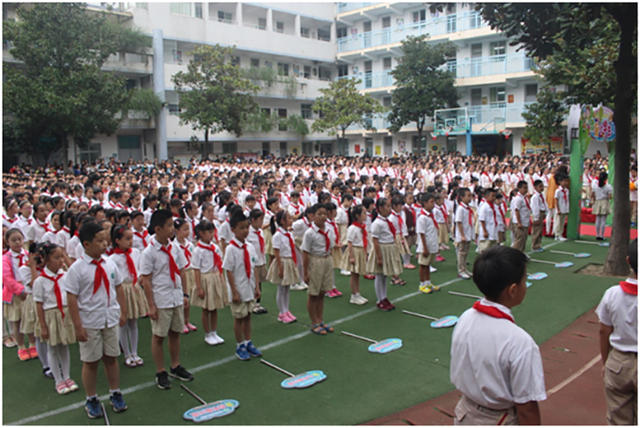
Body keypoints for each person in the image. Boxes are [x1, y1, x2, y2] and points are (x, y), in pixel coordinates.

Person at [450, 246, 546, 425]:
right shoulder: (520, 342)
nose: (525, 286)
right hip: (498, 419)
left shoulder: (465, 318)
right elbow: (527, 408)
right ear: (512, 290)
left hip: (465, 412)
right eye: (524, 280)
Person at [64, 222, 128, 418]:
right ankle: (91, 398)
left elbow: (118, 287)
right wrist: (78, 326)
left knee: (111, 357)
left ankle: (115, 392)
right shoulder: (77, 269)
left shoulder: (109, 263)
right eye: (99, 241)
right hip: (90, 321)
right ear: (86, 244)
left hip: (109, 318)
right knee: (90, 361)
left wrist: (123, 311)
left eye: (105, 240)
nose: (104, 244)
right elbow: (72, 298)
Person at [139, 209, 194, 390]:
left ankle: (175, 365)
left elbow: (181, 271)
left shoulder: (174, 247)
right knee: (159, 336)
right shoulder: (149, 252)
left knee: (175, 332)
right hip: (161, 299)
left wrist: (185, 294)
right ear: (158, 229)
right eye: (169, 225)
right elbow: (145, 280)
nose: (172, 229)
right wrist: (151, 306)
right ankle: (160, 371)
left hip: (175, 296)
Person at [595, 239, 637, 425]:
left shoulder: (612, 293)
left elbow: (604, 331)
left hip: (619, 361)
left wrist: (606, 361)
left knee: (618, 419)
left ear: (628, 261)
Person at [33, 243, 78, 395]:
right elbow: (39, 304)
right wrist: (43, 326)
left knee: (64, 346)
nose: (61, 261)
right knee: (52, 348)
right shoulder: (40, 281)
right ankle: (58, 380)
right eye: (56, 257)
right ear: (46, 259)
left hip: (64, 314)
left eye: (61, 257)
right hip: (50, 315)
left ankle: (67, 376)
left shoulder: (65, 276)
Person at [222, 210, 263, 360]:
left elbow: (255, 267)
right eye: (241, 228)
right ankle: (239, 345)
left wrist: (257, 287)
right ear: (233, 230)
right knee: (239, 317)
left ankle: (248, 341)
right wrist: (234, 291)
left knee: (248, 316)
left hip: (250, 287)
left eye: (247, 227)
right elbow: (229, 271)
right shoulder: (230, 249)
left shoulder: (250, 247)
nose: (245, 231)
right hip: (238, 288)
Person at [109, 225, 148, 368]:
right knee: (123, 322)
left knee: (133, 322)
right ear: (117, 240)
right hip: (122, 290)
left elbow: (140, 268)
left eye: (131, 238)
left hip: (134, 287)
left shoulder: (136, 253)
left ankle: (135, 352)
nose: (131, 241)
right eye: (127, 238)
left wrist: (141, 278)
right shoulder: (112, 258)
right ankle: (126, 353)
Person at [191, 220, 228, 346]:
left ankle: (214, 331)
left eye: (212, 232)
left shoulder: (215, 247)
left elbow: (219, 264)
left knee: (215, 307)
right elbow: (196, 270)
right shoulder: (198, 250)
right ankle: (207, 333)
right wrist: (199, 287)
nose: (211, 235)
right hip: (205, 279)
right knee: (206, 308)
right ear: (201, 233)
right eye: (208, 232)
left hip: (215, 277)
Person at [301, 203, 336, 334]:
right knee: (313, 293)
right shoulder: (310, 233)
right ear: (312, 216)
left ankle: (320, 320)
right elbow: (305, 252)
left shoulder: (329, 229)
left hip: (326, 260)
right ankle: (314, 322)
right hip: (315, 261)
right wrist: (305, 272)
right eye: (319, 214)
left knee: (322, 293)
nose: (322, 217)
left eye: (324, 214)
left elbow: (331, 245)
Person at [366, 198, 402, 311]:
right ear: (380, 208)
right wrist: (379, 257)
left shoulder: (387, 221)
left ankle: (384, 297)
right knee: (379, 275)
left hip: (388, 248)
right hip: (382, 249)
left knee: (384, 275)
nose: (389, 209)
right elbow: (375, 241)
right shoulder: (377, 223)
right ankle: (380, 299)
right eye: (387, 206)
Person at [3, 228, 34, 360]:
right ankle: (21, 346)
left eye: (19, 239)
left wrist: (27, 288)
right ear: (7, 242)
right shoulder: (5, 258)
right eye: (13, 240)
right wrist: (20, 290)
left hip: (27, 292)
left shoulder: (28, 254)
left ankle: (33, 343)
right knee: (17, 321)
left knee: (30, 319)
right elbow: (7, 278)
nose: (17, 242)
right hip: (15, 294)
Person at [266, 210, 300, 322]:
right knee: (281, 288)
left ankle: (286, 310)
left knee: (287, 288)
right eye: (289, 218)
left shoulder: (288, 233)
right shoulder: (277, 235)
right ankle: (281, 312)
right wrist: (280, 268)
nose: (291, 220)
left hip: (289, 261)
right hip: (282, 261)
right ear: (282, 221)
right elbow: (276, 252)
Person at [173, 218, 197, 334]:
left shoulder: (189, 244)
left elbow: (193, 257)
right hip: (180, 274)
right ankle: (181, 322)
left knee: (189, 298)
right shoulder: (174, 246)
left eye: (188, 229)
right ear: (176, 231)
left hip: (190, 271)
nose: (187, 232)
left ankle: (187, 321)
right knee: (181, 298)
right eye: (184, 229)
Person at [342, 205, 369, 305]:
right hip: (355, 251)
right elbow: (349, 243)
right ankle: (353, 295)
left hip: (360, 251)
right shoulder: (353, 228)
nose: (366, 215)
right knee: (354, 274)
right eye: (364, 213)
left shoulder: (361, 227)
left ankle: (357, 294)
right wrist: (351, 256)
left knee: (357, 274)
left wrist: (365, 253)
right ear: (357, 215)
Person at [416, 193, 440, 294]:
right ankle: (422, 284)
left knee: (428, 264)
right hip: (425, 246)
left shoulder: (430, 215)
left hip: (431, 244)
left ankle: (428, 282)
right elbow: (421, 233)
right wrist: (425, 248)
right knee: (423, 265)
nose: (433, 204)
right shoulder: (422, 217)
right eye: (431, 202)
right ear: (425, 203)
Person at [454, 188, 475, 279]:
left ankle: (464, 268)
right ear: (462, 197)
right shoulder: (461, 209)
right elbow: (459, 222)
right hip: (463, 235)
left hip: (468, 233)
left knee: (465, 252)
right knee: (461, 252)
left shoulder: (467, 208)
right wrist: (462, 235)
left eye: (471, 195)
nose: (470, 198)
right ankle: (461, 270)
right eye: (468, 196)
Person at [591, 171, 613, 241]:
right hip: (604, 202)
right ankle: (602, 235)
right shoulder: (608, 186)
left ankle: (597, 234)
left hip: (597, 202)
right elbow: (610, 197)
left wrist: (594, 201)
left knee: (598, 219)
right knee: (603, 220)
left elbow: (593, 195)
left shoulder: (595, 185)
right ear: (606, 178)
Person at [511, 181, 531, 253]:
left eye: (527, 188)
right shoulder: (518, 198)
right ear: (519, 188)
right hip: (520, 222)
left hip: (525, 221)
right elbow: (517, 211)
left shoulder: (525, 197)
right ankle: (512, 255)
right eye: (524, 188)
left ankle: (521, 253)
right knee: (519, 240)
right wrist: (519, 223)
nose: (526, 189)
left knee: (524, 239)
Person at [477, 188, 498, 253]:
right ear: (486, 196)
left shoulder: (494, 206)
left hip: (493, 230)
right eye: (492, 196)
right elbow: (482, 219)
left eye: (495, 196)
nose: (494, 198)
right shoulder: (484, 206)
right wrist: (484, 231)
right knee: (485, 249)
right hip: (487, 231)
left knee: (492, 249)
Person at [530, 180, 547, 253]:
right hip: (538, 214)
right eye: (540, 186)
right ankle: (534, 246)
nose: (542, 188)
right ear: (535, 187)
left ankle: (538, 244)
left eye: (542, 186)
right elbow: (535, 208)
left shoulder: (541, 195)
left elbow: (544, 204)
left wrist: (545, 212)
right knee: (536, 231)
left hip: (542, 213)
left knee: (540, 231)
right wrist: (536, 217)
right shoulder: (535, 197)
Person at [553, 175, 570, 241]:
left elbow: (567, 200)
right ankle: (556, 235)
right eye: (564, 181)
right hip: (559, 208)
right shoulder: (558, 191)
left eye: (566, 181)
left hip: (564, 208)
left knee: (562, 222)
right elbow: (556, 200)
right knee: (558, 222)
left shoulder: (567, 190)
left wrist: (567, 208)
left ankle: (560, 234)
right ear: (560, 182)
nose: (565, 183)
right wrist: (558, 209)